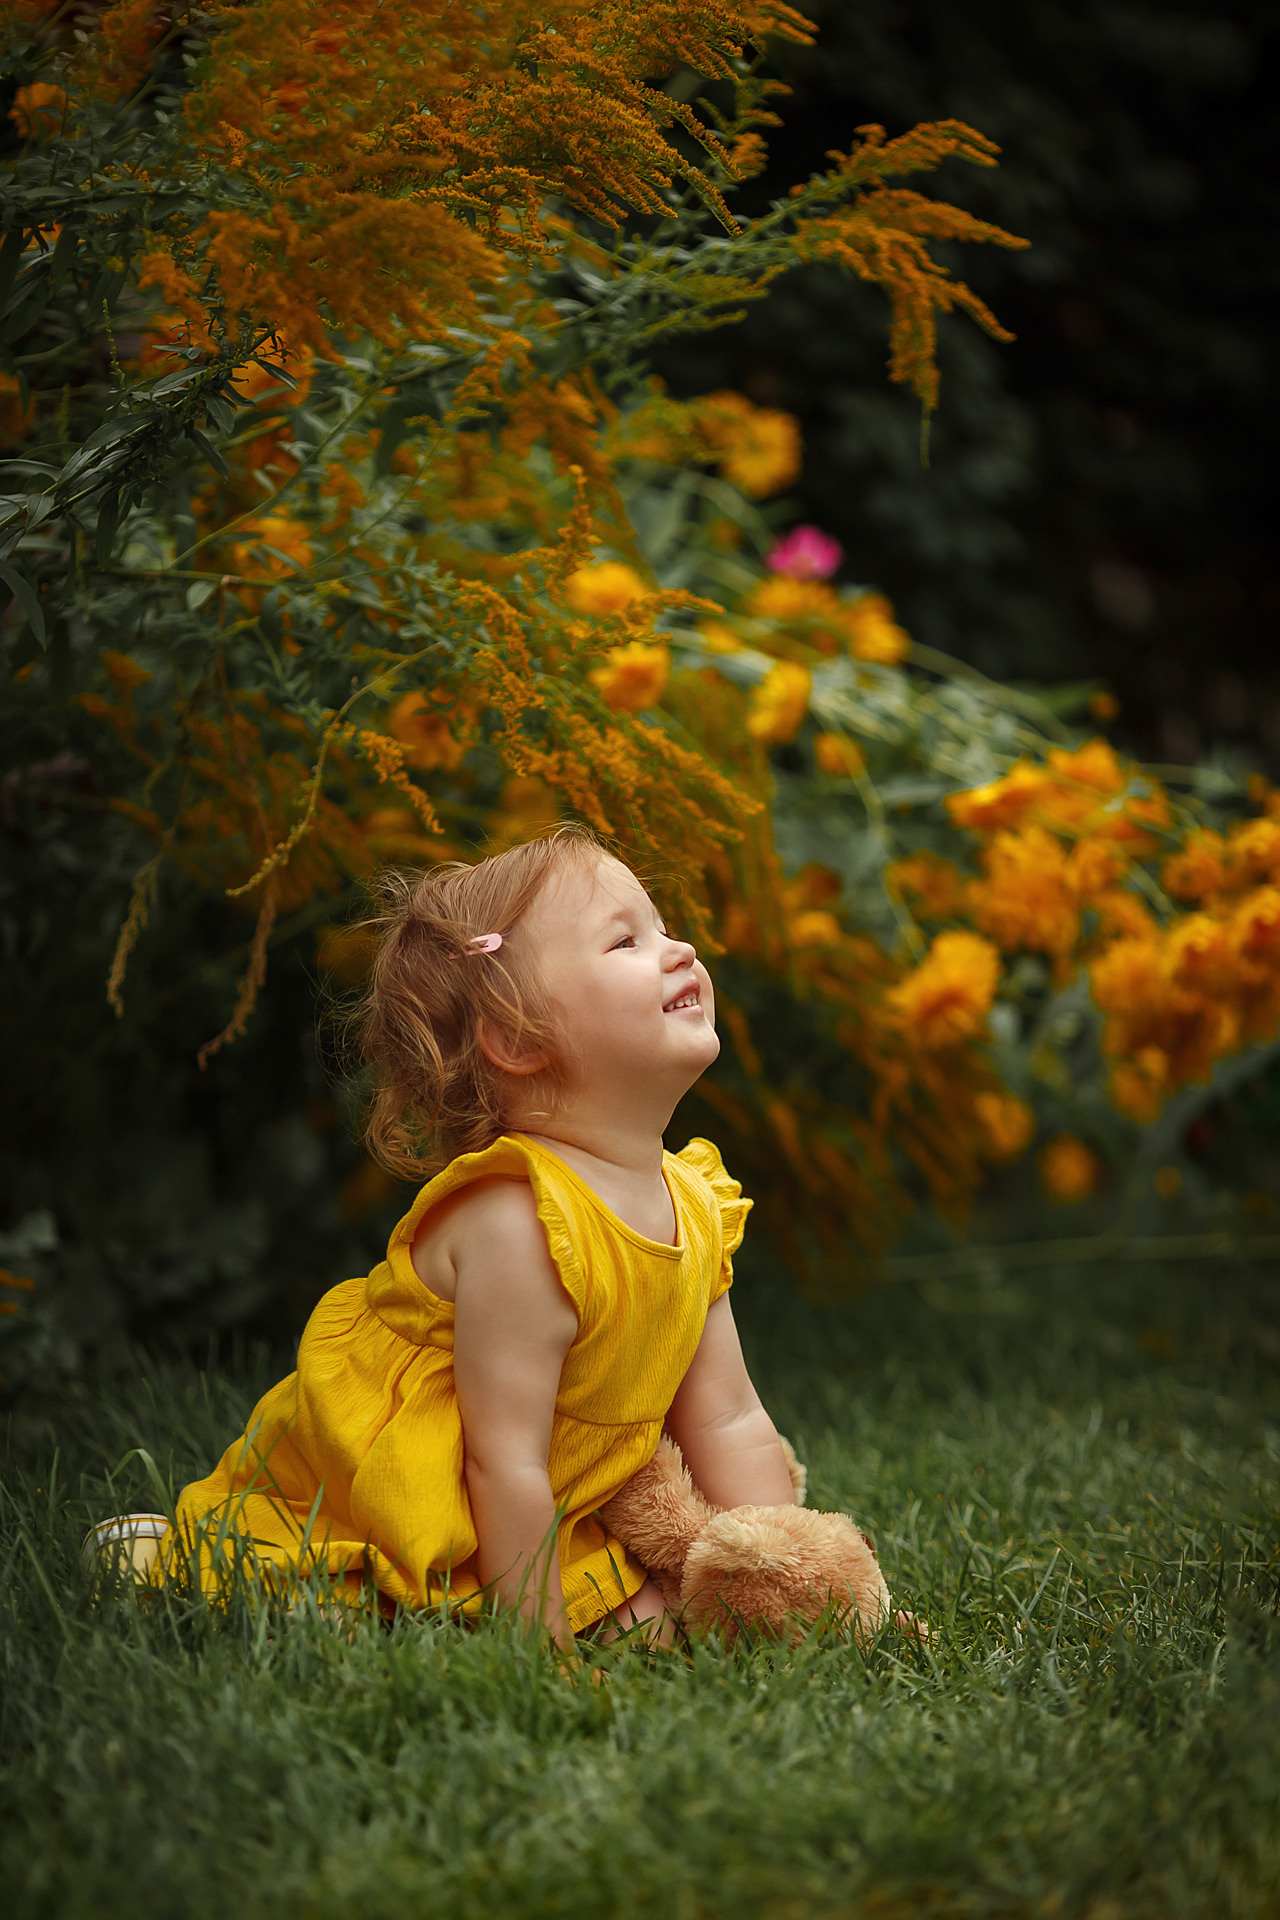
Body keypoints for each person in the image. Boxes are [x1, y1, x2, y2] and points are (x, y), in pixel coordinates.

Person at [154, 827, 797, 1647]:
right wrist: (545, 1652)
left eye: (664, 926)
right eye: (626, 940)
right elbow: (504, 1462)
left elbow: (729, 1420)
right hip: (418, 1504)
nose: (682, 951)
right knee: (314, 1612)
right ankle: (169, 1554)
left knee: (681, 1626)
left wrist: (795, 1578)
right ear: (521, 1040)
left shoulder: (692, 1200)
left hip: (560, 1498)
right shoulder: (520, 1223)